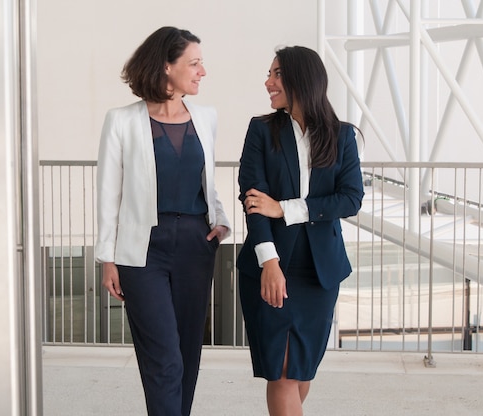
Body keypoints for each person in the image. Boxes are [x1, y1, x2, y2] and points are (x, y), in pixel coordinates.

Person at [95, 26, 231, 416]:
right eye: (194, 62)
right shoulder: (121, 121)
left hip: (195, 244)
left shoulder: (206, 117)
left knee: (187, 356)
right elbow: (109, 194)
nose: (202, 70)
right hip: (142, 253)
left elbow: (207, 181)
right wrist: (108, 258)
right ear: (166, 67)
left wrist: (220, 221)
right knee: (164, 359)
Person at [237, 45, 364, 416]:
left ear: (300, 79)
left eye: (277, 74)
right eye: (270, 74)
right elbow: (253, 201)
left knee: (302, 370)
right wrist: (269, 262)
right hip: (271, 264)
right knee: (282, 373)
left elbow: (351, 199)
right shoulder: (261, 130)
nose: (268, 82)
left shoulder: (341, 136)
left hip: (319, 273)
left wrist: (287, 208)